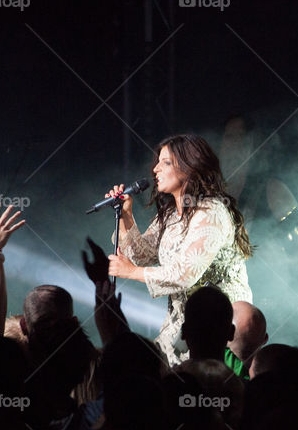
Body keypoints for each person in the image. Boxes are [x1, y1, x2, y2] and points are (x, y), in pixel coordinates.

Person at [106, 133, 253, 366]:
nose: (155, 169)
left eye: (165, 163)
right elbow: (141, 256)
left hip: (220, 329)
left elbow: (185, 273)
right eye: (157, 162)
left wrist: (132, 272)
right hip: (183, 325)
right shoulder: (172, 215)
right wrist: (125, 214)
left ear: (190, 167)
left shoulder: (211, 212)